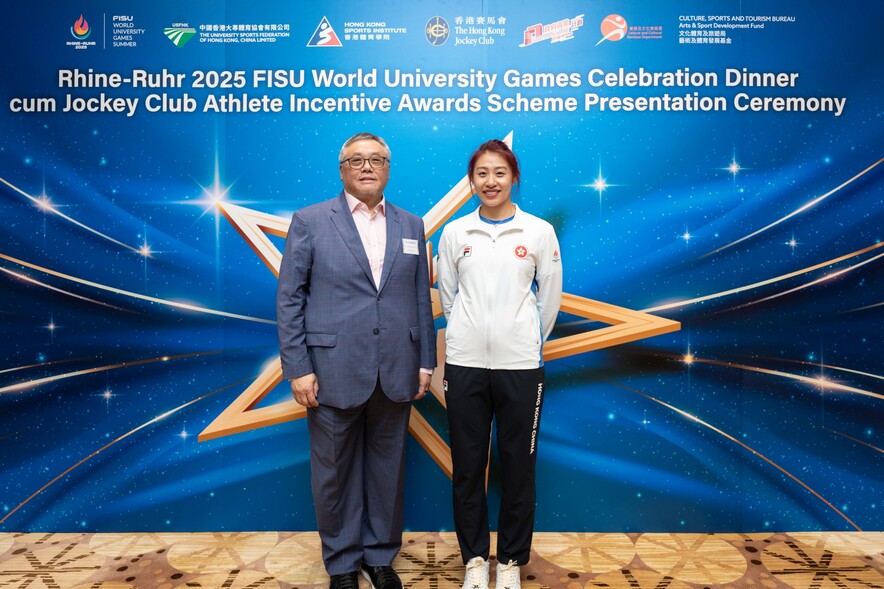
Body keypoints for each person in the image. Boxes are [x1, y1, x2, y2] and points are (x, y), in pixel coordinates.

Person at [277, 132, 436, 589]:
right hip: (331, 371)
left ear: (388, 168)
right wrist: (299, 368)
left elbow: (419, 299)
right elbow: (290, 298)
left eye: (377, 159)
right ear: (342, 169)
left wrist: (425, 361)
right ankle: (343, 563)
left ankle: (380, 557)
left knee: (388, 470)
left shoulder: (412, 224)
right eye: (357, 160)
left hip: (397, 367)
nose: (367, 167)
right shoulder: (310, 220)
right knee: (334, 473)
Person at [436, 140, 563, 589]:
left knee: (518, 468)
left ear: (514, 178)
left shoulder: (538, 232)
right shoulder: (455, 233)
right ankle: (474, 559)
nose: (491, 182)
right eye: (482, 174)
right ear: (471, 181)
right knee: (468, 467)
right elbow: (449, 297)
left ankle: (509, 561)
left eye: (500, 173)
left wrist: (525, 339)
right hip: (465, 365)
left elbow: (549, 300)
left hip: (521, 367)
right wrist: (465, 334)